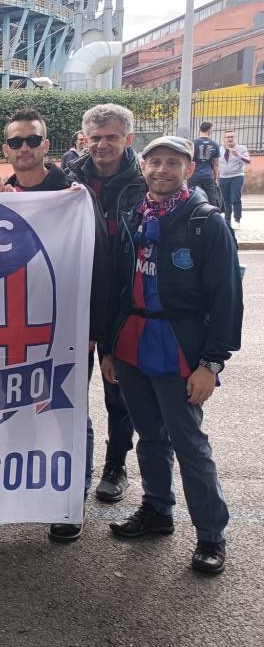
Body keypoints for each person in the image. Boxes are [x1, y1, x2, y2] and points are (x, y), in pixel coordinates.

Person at [101, 135, 242, 575]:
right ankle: (157, 510)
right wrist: (110, 348)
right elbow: (119, 287)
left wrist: (211, 364)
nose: (162, 170)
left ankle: (211, 535)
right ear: (143, 166)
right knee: (150, 436)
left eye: (173, 163)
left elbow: (227, 299)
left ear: (188, 169)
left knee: (189, 443)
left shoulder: (205, 222)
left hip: (179, 348)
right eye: (155, 162)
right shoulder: (134, 215)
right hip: (133, 343)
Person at [0, 108, 111, 542]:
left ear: (46, 145)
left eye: (32, 140)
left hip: (66, 327)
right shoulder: (1, 196)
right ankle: (25, 490)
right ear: (6, 150)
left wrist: (94, 328)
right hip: (14, 328)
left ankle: (70, 502)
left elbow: (100, 262)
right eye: (15, 142)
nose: (24, 148)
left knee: (68, 411)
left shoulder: (73, 195)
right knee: (17, 410)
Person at [65, 103, 145, 504]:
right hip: (78, 302)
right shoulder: (68, 178)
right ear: (84, 139)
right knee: (71, 393)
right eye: (95, 138)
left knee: (120, 393)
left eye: (111, 137)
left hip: (126, 303)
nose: (102, 145)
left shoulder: (145, 182)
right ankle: (74, 468)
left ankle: (116, 466)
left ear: (128, 139)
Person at [218, 131, 251, 230]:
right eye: (227, 137)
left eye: (232, 137)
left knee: (235, 199)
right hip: (223, 178)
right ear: (224, 139)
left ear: (235, 138)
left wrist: (238, 155)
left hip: (237, 176)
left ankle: (237, 220)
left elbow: (248, 162)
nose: (230, 139)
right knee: (225, 200)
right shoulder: (220, 149)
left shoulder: (242, 148)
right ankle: (227, 221)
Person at [190, 122, 223, 209]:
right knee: (211, 201)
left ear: (200, 129)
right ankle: (212, 216)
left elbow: (188, 161)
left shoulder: (193, 143)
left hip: (194, 176)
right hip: (208, 176)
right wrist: (215, 178)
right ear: (209, 130)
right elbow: (216, 164)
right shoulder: (214, 144)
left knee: (193, 200)